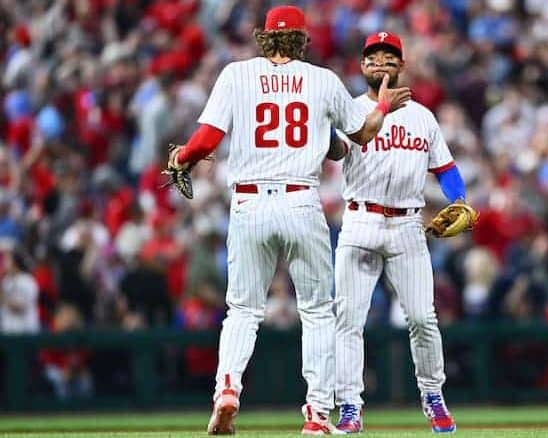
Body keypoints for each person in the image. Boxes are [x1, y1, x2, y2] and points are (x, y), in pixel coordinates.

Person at [165, 6, 410, 435]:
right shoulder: (322, 80)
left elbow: (206, 140)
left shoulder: (235, 75)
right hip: (300, 200)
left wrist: (181, 158)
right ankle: (317, 414)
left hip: (249, 203)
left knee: (242, 309)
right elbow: (365, 134)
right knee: (316, 312)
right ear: (302, 39)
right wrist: (383, 106)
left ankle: (227, 388)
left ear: (264, 38)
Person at [328, 31, 474, 433]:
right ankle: (350, 407)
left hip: (407, 224)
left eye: (389, 56)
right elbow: (334, 150)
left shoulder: (423, 117)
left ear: (401, 66)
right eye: (373, 56)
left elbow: (445, 169)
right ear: (362, 66)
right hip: (359, 220)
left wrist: (458, 198)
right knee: (348, 320)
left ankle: (432, 395)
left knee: (423, 319)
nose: (381, 62)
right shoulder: (349, 111)